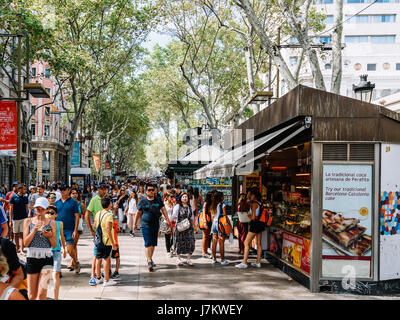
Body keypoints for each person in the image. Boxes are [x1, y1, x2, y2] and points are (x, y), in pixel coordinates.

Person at [23, 197, 56, 300]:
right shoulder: (28, 221)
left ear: (46, 209)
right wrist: (34, 230)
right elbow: (25, 243)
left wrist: (49, 235)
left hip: (46, 258)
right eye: (37, 209)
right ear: (34, 209)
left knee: (42, 294)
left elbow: (54, 245)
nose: (39, 212)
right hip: (32, 257)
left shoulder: (52, 223)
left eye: (42, 209)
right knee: (32, 295)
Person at [133, 184, 172, 272]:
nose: (151, 191)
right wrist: (134, 224)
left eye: (152, 190)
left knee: (153, 243)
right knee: (148, 243)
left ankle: (150, 258)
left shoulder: (158, 200)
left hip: (155, 225)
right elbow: (138, 213)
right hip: (145, 225)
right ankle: (149, 261)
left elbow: (164, 210)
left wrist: (167, 220)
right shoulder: (143, 201)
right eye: (149, 190)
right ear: (146, 191)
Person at [85, 182, 108, 286]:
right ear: (97, 189)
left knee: (105, 254)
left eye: (105, 188)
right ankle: (93, 276)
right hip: (98, 230)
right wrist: (91, 229)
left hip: (107, 230)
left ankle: (103, 274)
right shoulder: (94, 200)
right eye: (101, 188)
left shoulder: (107, 198)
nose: (103, 190)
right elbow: (87, 214)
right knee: (96, 254)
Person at [55, 185, 81, 274]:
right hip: (58, 229)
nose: (62, 191)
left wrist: (75, 230)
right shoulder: (57, 203)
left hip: (69, 229)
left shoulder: (73, 202)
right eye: (61, 190)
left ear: (68, 190)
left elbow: (77, 216)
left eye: (64, 189)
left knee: (70, 249)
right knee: (57, 251)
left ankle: (76, 261)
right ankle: (58, 269)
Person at [236, 188, 264, 269]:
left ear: (254, 195)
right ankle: (258, 262)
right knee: (259, 244)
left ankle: (244, 262)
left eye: (250, 195)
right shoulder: (260, 203)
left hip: (254, 225)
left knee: (246, 243)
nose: (249, 196)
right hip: (260, 225)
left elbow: (253, 217)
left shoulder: (254, 204)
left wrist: (248, 215)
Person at [93, 197, 117, 287]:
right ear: (109, 205)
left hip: (98, 240)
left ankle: (98, 277)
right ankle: (106, 280)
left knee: (98, 258)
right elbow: (108, 228)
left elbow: (95, 225)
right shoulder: (109, 215)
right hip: (106, 240)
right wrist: (113, 243)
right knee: (106, 258)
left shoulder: (98, 213)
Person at [45, 205, 66, 300]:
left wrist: (64, 249)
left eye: (52, 213)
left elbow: (62, 236)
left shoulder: (59, 223)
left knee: (56, 273)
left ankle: (56, 298)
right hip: (46, 252)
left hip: (57, 251)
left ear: (56, 215)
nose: (50, 214)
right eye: (48, 212)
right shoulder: (43, 223)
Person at [172, 192, 196, 266]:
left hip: (188, 228)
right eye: (183, 197)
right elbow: (174, 216)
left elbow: (192, 217)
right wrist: (168, 222)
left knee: (190, 242)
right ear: (180, 198)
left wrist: (194, 226)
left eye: (186, 197)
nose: (185, 198)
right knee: (178, 242)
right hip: (179, 227)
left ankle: (188, 259)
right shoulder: (177, 206)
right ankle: (178, 258)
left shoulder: (190, 207)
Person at [210, 191, 230, 265]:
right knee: (221, 242)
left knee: (214, 242)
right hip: (221, 224)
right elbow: (225, 216)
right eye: (223, 196)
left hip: (214, 224)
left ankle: (214, 258)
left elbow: (212, 216)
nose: (224, 197)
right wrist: (229, 224)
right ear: (221, 197)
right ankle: (222, 260)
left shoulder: (213, 205)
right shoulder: (223, 205)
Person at [9, 185, 29, 254]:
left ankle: (21, 249)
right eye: (24, 189)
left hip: (23, 218)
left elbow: (26, 208)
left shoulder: (25, 197)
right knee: (15, 234)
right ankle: (17, 247)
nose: (25, 190)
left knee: (22, 233)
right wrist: (10, 220)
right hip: (15, 218)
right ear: (19, 189)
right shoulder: (13, 197)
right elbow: (10, 210)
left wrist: (27, 218)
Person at [71, 189, 85, 270]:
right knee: (70, 245)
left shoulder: (81, 204)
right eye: (73, 193)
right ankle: (74, 261)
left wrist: (78, 215)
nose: (74, 195)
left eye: (76, 193)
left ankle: (73, 262)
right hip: (69, 225)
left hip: (78, 226)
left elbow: (84, 214)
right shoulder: (68, 203)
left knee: (74, 245)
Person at [200, 192, 213, 258]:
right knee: (205, 236)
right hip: (207, 221)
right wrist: (205, 221)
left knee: (208, 236)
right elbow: (204, 212)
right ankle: (203, 252)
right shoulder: (206, 203)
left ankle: (206, 251)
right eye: (212, 196)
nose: (213, 197)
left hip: (210, 221)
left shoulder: (211, 203)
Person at [163, 192, 175, 258]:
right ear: (167, 197)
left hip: (173, 222)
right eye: (171, 196)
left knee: (174, 237)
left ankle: (170, 246)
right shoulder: (164, 204)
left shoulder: (173, 204)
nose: (172, 198)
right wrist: (167, 219)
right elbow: (161, 213)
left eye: (173, 196)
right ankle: (168, 251)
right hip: (166, 222)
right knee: (167, 237)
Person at [110, 215, 121, 280]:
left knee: (117, 257)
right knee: (108, 258)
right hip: (109, 243)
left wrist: (118, 228)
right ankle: (109, 271)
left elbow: (118, 229)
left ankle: (116, 271)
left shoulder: (114, 223)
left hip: (115, 243)